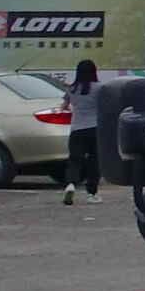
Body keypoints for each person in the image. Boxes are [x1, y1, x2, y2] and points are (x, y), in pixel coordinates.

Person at [63, 59, 102, 204]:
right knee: (94, 161)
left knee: (74, 160)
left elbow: (64, 106)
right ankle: (92, 193)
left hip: (76, 129)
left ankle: (70, 184)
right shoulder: (99, 88)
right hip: (95, 129)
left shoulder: (71, 89)